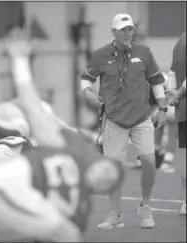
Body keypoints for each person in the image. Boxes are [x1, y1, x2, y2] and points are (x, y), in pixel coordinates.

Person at [0, 33, 124, 242]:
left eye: (110, 182)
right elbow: (33, 106)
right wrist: (19, 62)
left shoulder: (80, 209)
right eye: (108, 169)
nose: (105, 176)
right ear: (98, 159)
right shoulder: (68, 147)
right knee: (68, 235)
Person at [81, 13, 167, 229]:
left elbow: (156, 81)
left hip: (141, 117)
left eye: (130, 29)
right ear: (113, 32)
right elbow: (86, 79)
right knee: (113, 169)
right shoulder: (100, 55)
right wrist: (88, 94)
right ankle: (115, 215)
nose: (128, 33)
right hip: (113, 120)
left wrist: (163, 109)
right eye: (123, 30)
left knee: (149, 162)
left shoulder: (144, 52)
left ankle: (145, 207)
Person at [167, 32, 186, 215]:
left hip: (183, 109)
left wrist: (173, 93)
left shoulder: (180, 39)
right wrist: (178, 93)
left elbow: (172, 72)